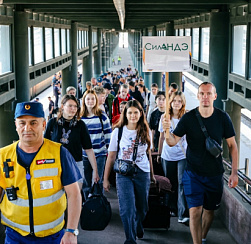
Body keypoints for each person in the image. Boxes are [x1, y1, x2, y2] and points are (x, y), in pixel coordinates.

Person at [162, 82, 238, 244]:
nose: (205, 97)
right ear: (197, 96)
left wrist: (234, 172)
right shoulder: (188, 119)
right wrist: (166, 130)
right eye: (202, 93)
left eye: (209, 93)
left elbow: (232, 146)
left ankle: (202, 237)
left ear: (214, 96)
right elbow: (172, 142)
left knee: (209, 211)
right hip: (192, 173)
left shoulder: (223, 118)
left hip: (215, 174)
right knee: (195, 211)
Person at [0, 102, 81, 243]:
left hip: (52, 237)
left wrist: (71, 231)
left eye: (33, 123)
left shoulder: (59, 153)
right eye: (22, 123)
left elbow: (74, 194)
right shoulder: (3, 156)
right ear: (16, 125)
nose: (27, 128)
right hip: (15, 236)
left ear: (43, 125)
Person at [103, 100, 156, 244]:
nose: (133, 115)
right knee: (127, 208)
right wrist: (105, 179)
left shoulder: (146, 131)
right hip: (123, 174)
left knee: (142, 207)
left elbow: (148, 154)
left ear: (141, 114)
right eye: (130, 112)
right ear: (125, 114)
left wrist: (151, 174)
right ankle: (130, 239)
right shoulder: (118, 132)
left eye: (136, 112)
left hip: (142, 172)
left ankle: (138, 224)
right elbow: (112, 156)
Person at [44, 95, 99, 191]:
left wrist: (95, 170)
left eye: (75, 106)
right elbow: (44, 146)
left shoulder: (81, 125)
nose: (73, 109)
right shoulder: (52, 123)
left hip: (75, 164)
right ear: (62, 106)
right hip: (55, 164)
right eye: (70, 106)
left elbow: (88, 149)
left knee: (75, 197)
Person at [158, 91, 189, 224]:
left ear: (183, 103)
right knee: (170, 183)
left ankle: (183, 213)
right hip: (168, 154)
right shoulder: (165, 117)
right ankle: (171, 208)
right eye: (174, 100)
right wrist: (159, 153)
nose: (177, 103)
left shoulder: (186, 117)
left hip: (183, 154)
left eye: (179, 101)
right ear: (170, 102)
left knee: (182, 182)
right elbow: (161, 136)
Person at [80, 90, 112, 196]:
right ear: (84, 100)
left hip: (100, 153)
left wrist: (109, 152)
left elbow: (108, 135)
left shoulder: (101, 116)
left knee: (98, 179)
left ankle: (98, 203)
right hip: (84, 155)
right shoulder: (80, 117)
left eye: (93, 99)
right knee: (86, 181)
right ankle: (87, 204)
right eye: (88, 99)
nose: (90, 101)